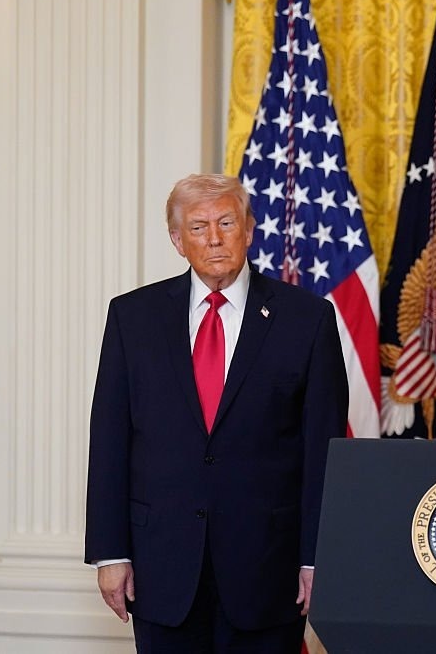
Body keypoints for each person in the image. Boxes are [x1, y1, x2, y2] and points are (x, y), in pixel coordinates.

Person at [85, 173, 348, 652]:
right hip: (161, 566)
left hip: (268, 570)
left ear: (248, 231)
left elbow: (324, 451)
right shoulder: (132, 317)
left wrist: (317, 558)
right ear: (177, 240)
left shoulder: (307, 319)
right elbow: (109, 440)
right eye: (198, 226)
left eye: (226, 222)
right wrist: (110, 553)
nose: (214, 238)